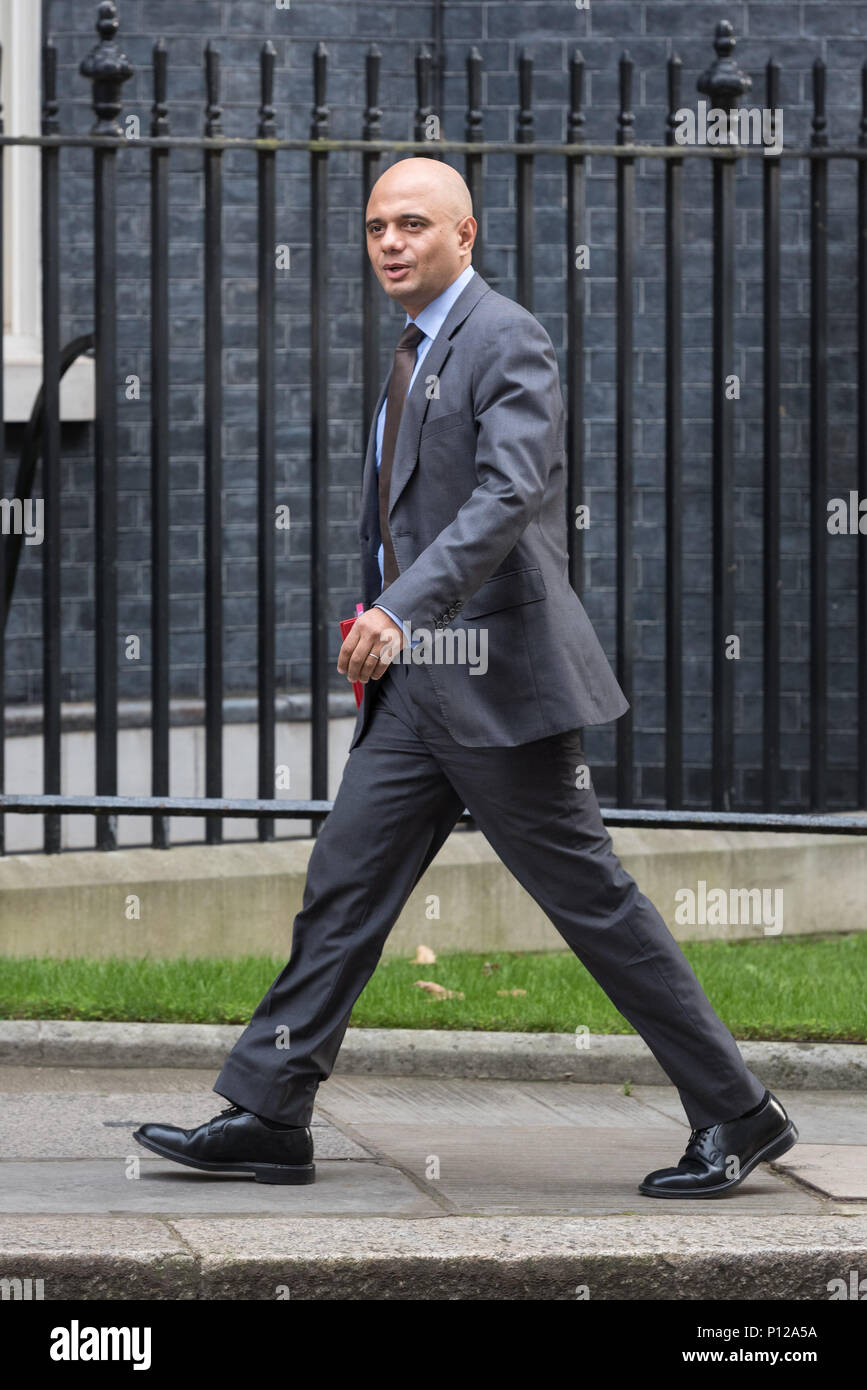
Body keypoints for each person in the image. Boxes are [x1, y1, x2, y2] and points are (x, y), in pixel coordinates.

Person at [134, 158, 798, 1197]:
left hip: (499, 683)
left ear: (465, 234)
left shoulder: (505, 338)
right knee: (342, 886)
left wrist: (401, 611)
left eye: (411, 224)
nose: (390, 242)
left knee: (592, 902)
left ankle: (738, 1110)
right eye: (375, 227)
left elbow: (506, 497)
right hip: (417, 695)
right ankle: (269, 1111)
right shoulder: (413, 348)